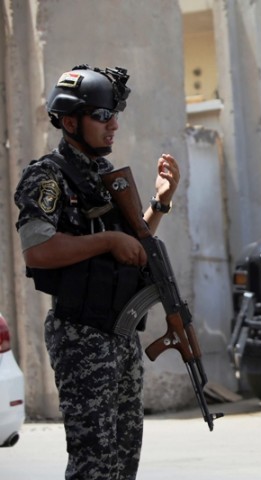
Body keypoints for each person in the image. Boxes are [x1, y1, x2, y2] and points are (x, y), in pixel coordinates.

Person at [13, 65, 180, 479]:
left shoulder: (107, 176)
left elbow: (133, 244)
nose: (113, 126)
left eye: (114, 115)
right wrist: (107, 242)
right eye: (102, 116)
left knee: (124, 459)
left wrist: (159, 205)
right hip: (82, 334)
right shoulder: (47, 176)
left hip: (120, 331)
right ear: (70, 122)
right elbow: (38, 250)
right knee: (93, 463)